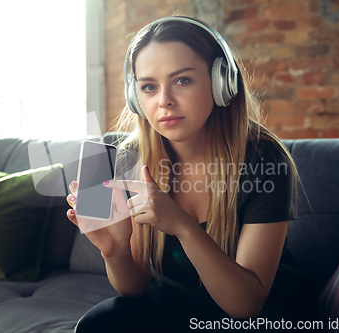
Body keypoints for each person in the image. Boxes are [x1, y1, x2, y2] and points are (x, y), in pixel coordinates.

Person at [66, 16, 307, 333]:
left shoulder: (264, 159)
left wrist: (182, 225)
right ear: (135, 97)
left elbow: (245, 305)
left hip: (257, 314)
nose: (163, 100)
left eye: (182, 80)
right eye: (149, 87)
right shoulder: (132, 157)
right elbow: (133, 288)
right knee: (98, 325)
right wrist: (115, 250)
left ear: (221, 83)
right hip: (177, 304)